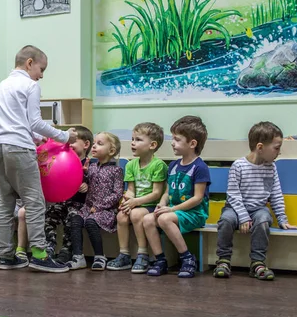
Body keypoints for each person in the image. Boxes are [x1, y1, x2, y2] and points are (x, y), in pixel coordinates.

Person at [0, 45, 77, 273]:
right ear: (30, 63)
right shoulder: (31, 85)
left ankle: (6, 256)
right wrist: (65, 136)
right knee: (35, 201)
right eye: (42, 68)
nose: (42, 75)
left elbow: (17, 121)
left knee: (4, 201)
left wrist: (38, 139)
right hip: (19, 147)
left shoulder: (2, 84)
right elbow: (34, 122)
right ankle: (39, 254)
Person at [213, 122, 297, 280]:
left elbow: (275, 194)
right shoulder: (238, 166)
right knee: (226, 220)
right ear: (260, 147)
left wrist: (282, 219)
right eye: (276, 148)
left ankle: (257, 262)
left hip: (258, 209)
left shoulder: (271, 167)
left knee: (263, 219)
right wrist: (243, 216)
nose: (279, 152)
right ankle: (223, 260)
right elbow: (233, 195)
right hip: (235, 208)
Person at [143, 116, 210, 278]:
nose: (172, 142)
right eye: (173, 138)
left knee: (164, 219)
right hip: (172, 211)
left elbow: (197, 198)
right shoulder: (173, 166)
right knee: (148, 219)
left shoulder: (200, 167)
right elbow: (167, 192)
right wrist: (161, 204)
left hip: (194, 213)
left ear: (192, 144)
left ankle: (187, 258)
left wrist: (171, 209)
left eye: (177, 139)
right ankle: (160, 260)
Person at [108, 122, 167, 273]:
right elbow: (131, 190)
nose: (133, 143)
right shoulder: (131, 165)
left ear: (152, 145)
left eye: (138, 140)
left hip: (151, 204)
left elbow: (157, 193)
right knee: (121, 216)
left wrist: (136, 202)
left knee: (135, 214)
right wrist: (126, 200)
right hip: (137, 203)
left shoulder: (158, 165)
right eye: (133, 139)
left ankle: (143, 254)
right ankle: (124, 254)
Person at [67, 132, 124, 271]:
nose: (94, 146)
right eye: (94, 143)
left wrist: (99, 206)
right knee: (75, 220)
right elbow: (86, 183)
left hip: (105, 210)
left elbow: (117, 194)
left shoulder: (116, 170)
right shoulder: (91, 166)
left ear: (111, 151)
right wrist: (84, 176)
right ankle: (78, 256)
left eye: (99, 144)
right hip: (88, 207)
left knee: (91, 222)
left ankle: (99, 256)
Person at [44, 126, 93, 264]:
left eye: (73, 141)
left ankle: (67, 250)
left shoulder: (91, 165)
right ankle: (49, 246)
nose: (69, 144)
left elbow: (96, 185)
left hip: (79, 204)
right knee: (50, 214)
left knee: (72, 218)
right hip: (62, 201)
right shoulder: (61, 161)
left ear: (86, 144)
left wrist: (87, 185)